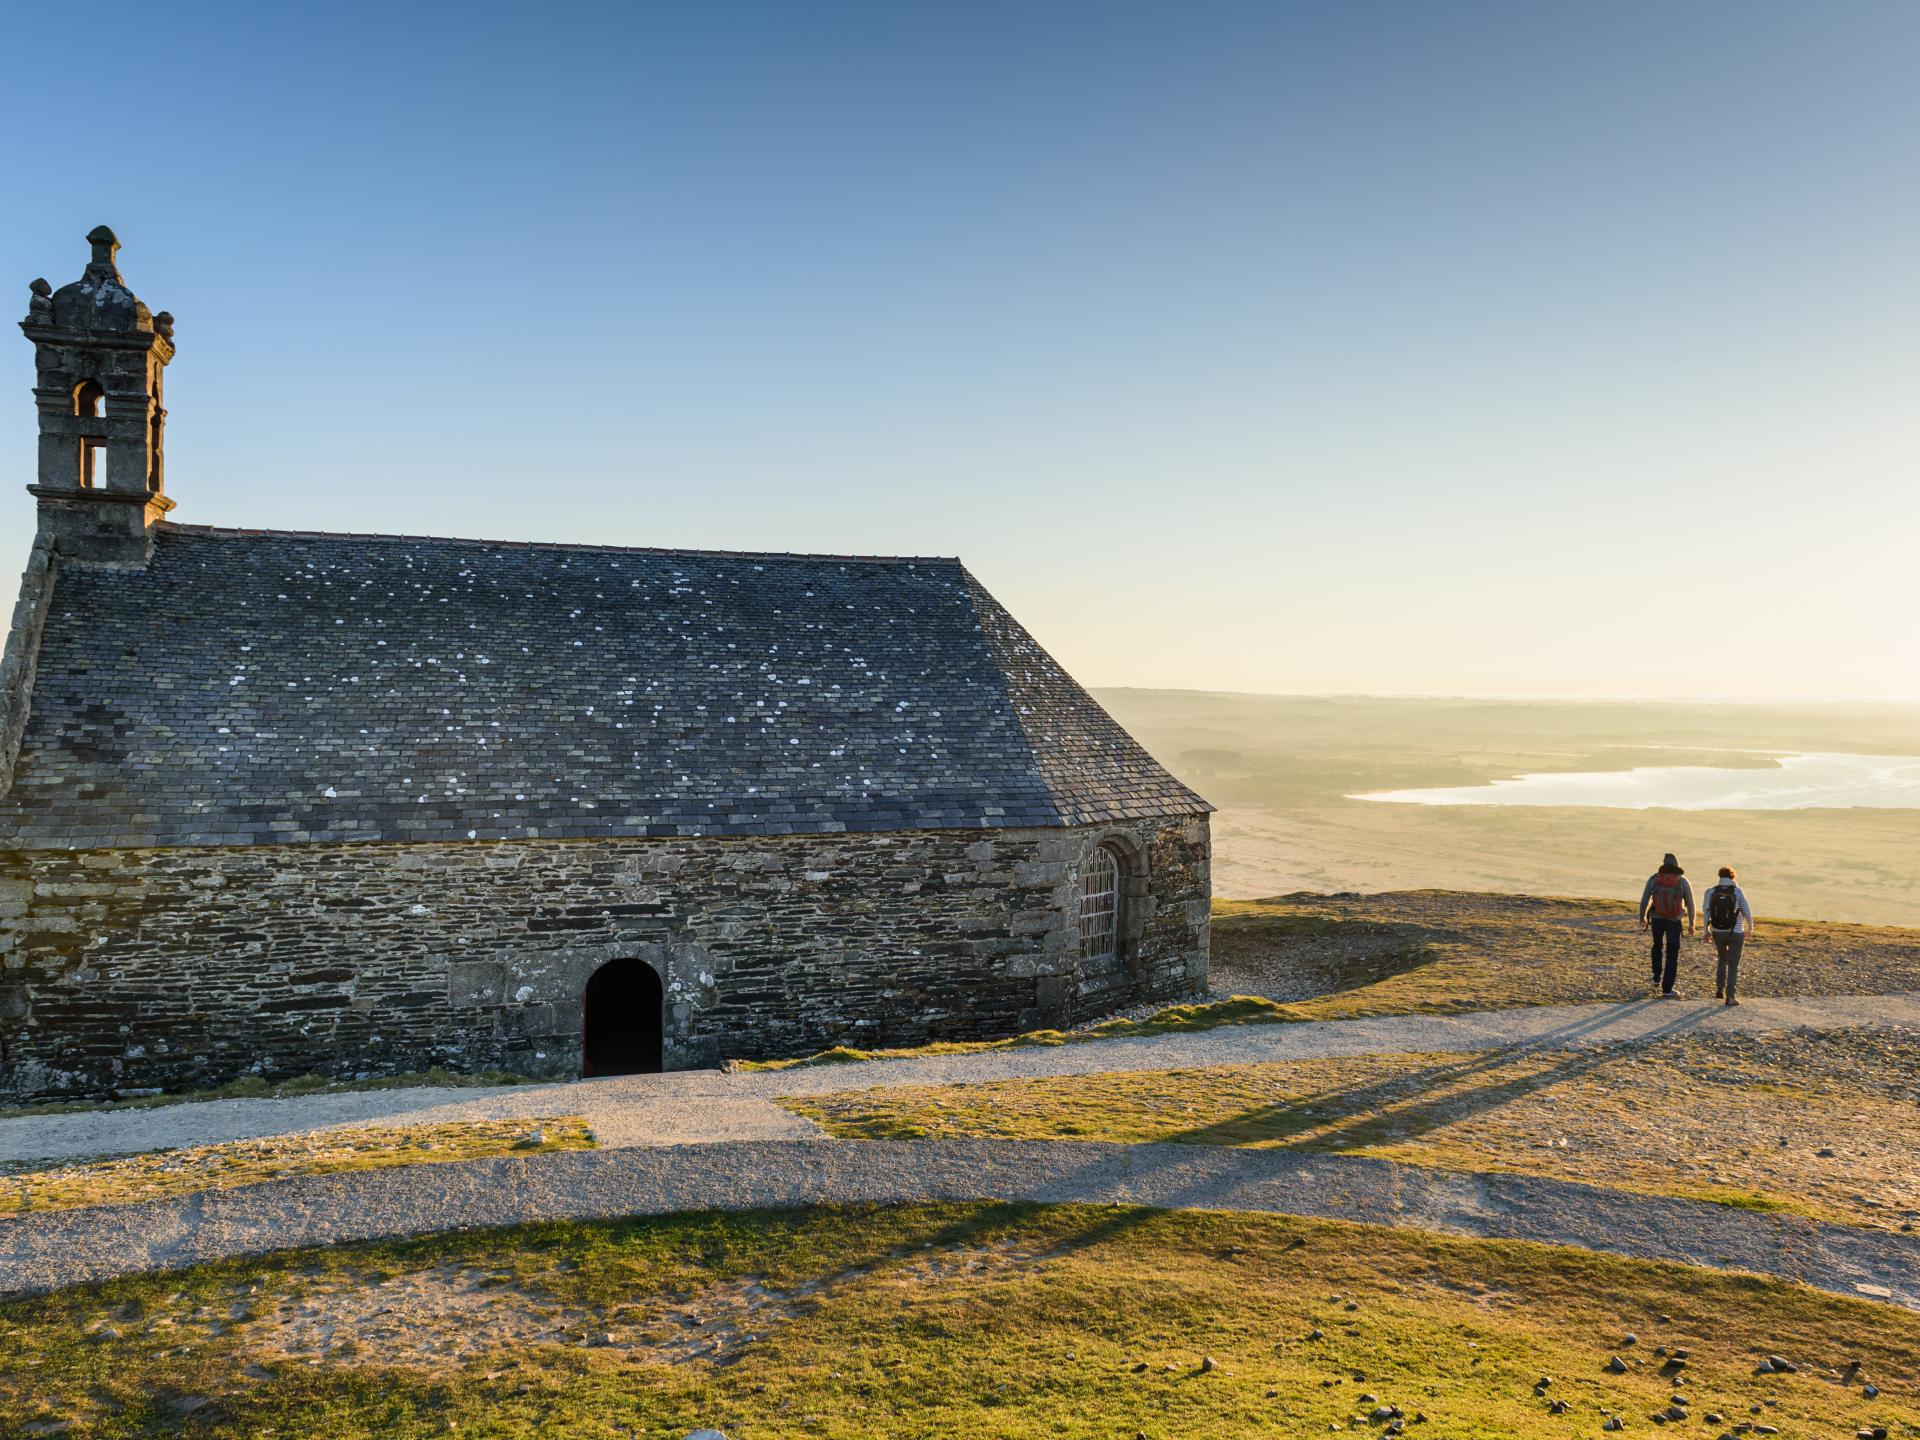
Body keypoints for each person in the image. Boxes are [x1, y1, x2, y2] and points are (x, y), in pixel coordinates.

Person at [1637, 852, 1694, 996]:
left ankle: (1656, 978)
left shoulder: (1654, 879)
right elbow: (1690, 904)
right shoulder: (1682, 881)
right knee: (1672, 953)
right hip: (1674, 921)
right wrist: (1691, 923)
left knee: (1657, 946)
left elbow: (1644, 900)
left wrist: (1642, 917)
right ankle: (1667, 988)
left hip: (1657, 918)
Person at [1705, 865, 1756, 1005]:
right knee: (1733, 964)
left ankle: (1719, 989)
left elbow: (1707, 911)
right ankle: (1731, 997)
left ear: (1720, 877)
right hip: (1736, 932)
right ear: (1733, 877)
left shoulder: (1711, 891)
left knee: (1722, 958)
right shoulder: (1738, 892)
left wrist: (1706, 930)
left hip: (1717, 931)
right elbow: (1746, 910)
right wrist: (1750, 927)